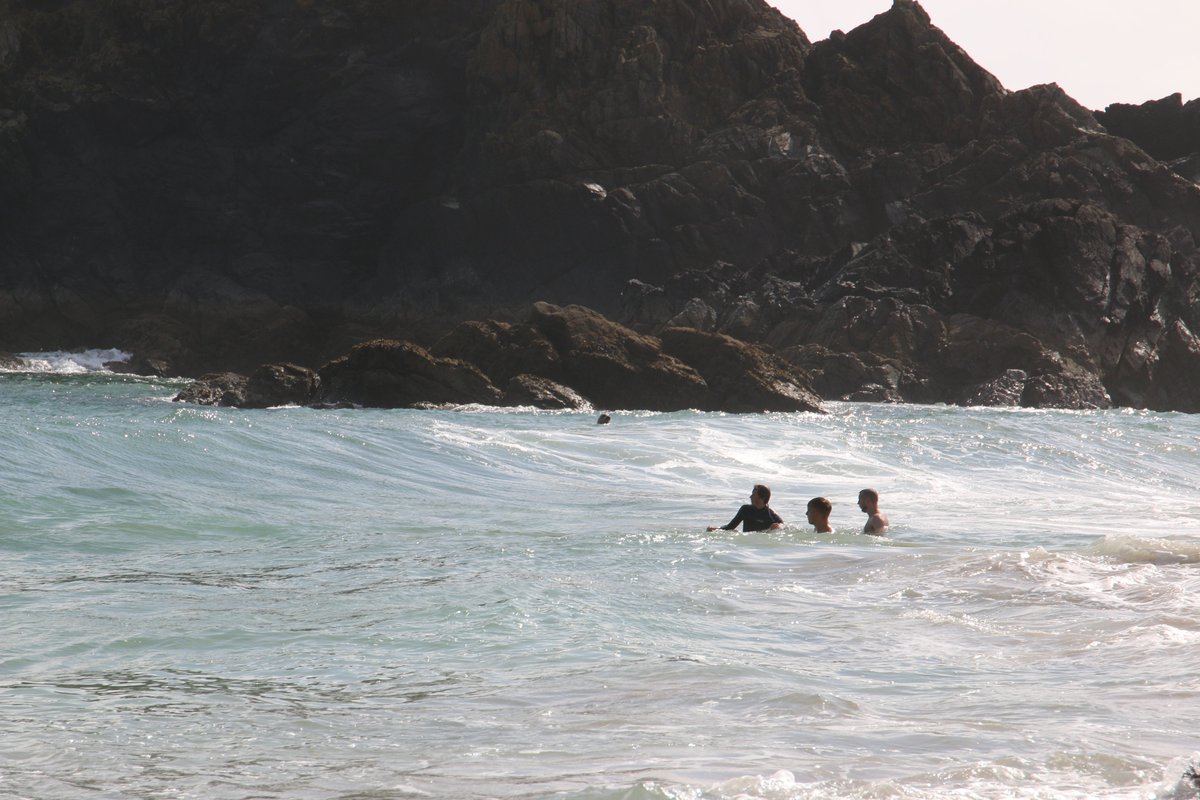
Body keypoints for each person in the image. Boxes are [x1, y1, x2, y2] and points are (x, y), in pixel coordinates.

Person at [708, 484, 784, 532]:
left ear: (761, 498)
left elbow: (784, 528)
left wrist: (777, 527)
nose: (750, 496)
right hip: (746, 548)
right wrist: (717, 529)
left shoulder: (771, 515)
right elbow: (730, 527)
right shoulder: (745, 510)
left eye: (753, 494)